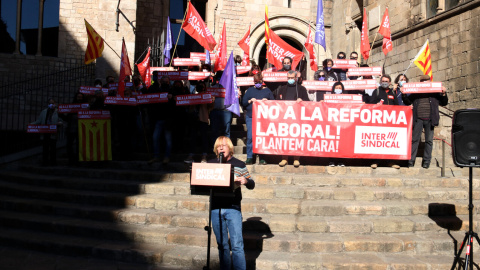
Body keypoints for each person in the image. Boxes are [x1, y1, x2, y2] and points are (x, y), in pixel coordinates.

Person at [208, 136, 255, 270]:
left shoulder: (239, 164)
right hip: (216, 208)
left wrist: (246, 181)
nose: (221, 148)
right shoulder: (211, 164)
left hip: (233, 208)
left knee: (236, 245)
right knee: (222, 245)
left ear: (230, 148)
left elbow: (251, 184)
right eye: (218, 146)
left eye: (224, 145)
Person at [402, 74, 448, 169]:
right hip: (418, 119)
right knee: (414, 140)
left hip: (430, 119)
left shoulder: (435, 92)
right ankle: (411, 161)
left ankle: (426, 161)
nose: (425, 84)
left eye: (426, 82)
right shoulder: (416, 93)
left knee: (429, 141)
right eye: (423, 82)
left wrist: (444, 93)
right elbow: (407, 101)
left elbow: (444, 102)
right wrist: (403, 94)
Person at [275, 70, 310, 167]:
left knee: (296, 138)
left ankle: (296, 158)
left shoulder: (301, 89)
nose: (290, 80)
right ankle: (284, 158)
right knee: (284, 138)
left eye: (292, 78)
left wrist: (302, 100)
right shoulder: (281, 89)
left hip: (297, 118)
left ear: (296, 78)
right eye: (289, 78)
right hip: (284, 118)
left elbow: (308, 102)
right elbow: (277, 102)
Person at [366, 75, 400, 169]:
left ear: (390, 82)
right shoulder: (376, 91)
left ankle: (391, 162)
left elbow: (397, 106)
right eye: (383, 81)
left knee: (390, 142)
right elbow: (370, 104)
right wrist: (375, 105)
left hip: (391, 122)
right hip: (379, 122)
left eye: (387, 81)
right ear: (381, 82)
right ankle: (375, 161)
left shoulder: (393, 93)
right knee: (378, 142)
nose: (385, 82)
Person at [242, 73, 275, 165]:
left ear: (262, 81)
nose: (257, 84)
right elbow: (243, 102)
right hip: (251, 117)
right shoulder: (250, 90)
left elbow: (274, 103)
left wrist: (267, 102)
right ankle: (249, 157)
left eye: (259, 82)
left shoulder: (267, 91)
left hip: (263, 119)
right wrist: (249, 101)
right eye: (255, 82)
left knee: (262, 138)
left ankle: (262, 157)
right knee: (250, 137)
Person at [31, 98, 63, 166]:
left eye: (52, 103)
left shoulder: (58, 112)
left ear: (55, 104)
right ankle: (45, 162)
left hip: (53, 132)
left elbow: (62, 120)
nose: (51, 105)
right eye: (50, 103)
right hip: (45, 132)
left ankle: (53, 162)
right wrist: (31, 124)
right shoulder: (44, 111)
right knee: (45, 148)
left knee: (53, 148)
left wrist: (59, 123)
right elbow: (39, 121)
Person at [327, 82, 346, 167]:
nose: (338, 89)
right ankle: (331, 160)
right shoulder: (329, 97)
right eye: (336, 87)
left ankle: (341, 160)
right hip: (332, 123)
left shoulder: (347, 98)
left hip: (343, 124)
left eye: (340, 88)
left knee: (342, 142)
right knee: (332, 142)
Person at [65, 92, 85, 165]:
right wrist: (60, 114)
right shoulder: (72, 108)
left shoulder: (85, 107)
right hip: (71, 129)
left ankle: (77, 160)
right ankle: (71, 160)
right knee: (69, 145)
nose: (79, 98)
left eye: (81, 97)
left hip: (80, 129)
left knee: (78, 146)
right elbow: (67, 118)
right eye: (78, 97)